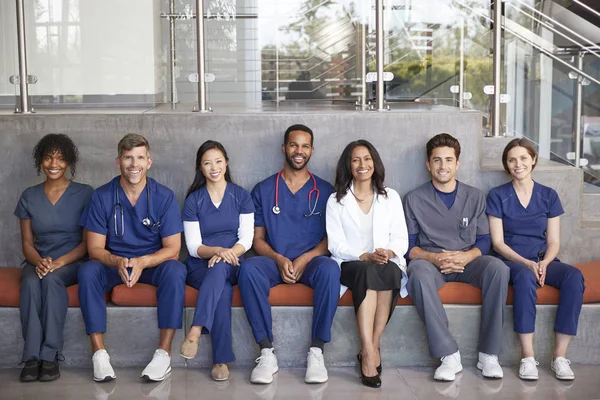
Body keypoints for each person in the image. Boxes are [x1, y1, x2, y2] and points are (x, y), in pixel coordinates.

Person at [78, 134, 186, 383]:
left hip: (150, 264)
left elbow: (173, 248)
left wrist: (143, 261)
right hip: (113, 263)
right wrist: (117, 261)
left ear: (149, 162)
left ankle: (163, 354)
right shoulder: (102, 196)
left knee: (176, 271)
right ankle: (99, 354)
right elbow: (94, 248)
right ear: (118, 162)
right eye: (128, 157)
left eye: (139, 157)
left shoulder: (164, 196)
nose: (133, 164)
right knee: (87, 271)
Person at [237, 124, 340, 385]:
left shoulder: (326, 191)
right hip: (274, 262)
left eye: (305, 146)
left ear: (312, 151)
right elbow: (256, 240)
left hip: (312, 263)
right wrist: (279, 259)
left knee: (330, 269)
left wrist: (305, 258)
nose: (299, 151)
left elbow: (331, 240)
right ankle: (266, 352)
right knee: (248, 269)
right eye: (294, 145)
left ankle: (317, 351)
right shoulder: (263, 189)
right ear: (284, 148)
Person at [403, 133, 509, 381]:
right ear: (428, 164)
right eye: (437, 160)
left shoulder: (474, 197)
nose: (443, 166)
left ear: (457, 163)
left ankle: (489, 355)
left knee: (499, 269)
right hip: (431, 263)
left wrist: (466, 256)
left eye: (449, 160)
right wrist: (434, 258)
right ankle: (448, 355)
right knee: (416, 273)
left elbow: (484, 240)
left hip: (469, 263)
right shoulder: (414, 199)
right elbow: (408, 247)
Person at [486, 138, 585, 381]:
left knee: (574, 277)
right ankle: (527, 358)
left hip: (543, 260)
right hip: (511, 261)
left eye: (522, 158)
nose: (517, 164)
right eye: (511, 160)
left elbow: (553, 242)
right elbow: (498, 243)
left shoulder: (549, 195)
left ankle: (559, 357)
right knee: (524, 278)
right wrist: (527, 263)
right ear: (507, 165)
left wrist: (544, 263)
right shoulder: (497, 195)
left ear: (533, 160)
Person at [326, 140, 408, 388]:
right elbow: (335, 244)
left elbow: (401, 237)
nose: (363, 165)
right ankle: (370, 351)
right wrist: (362, 255)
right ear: (348, 166)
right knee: (367, 271)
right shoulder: (336, 200)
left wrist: (389, 251)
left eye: (367, 159)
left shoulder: (390, 196)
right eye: (356, 160)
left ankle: (370, 347)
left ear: (375, 162)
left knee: (389, 270)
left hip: (384, 260)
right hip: (351, 263)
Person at [16, 134, 93, 382]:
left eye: (60, 158)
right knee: (29, 283)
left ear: (69, 161)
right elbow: (27, 243)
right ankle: (31, 358)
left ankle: (49, 356)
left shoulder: (84, 193)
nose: (54, 163)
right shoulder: (29, 196)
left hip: (71, 261)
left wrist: (58, 263)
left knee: (51, 282)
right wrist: (40, 261)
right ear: (40, 160)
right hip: (37, 260)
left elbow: (87, 243)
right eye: (48, 157)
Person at [179, 140, 255, 381]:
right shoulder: (193, 201)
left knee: (221, 268)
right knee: (221, 289)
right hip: (201, 265)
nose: (214, 167)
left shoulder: (241, 196)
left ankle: (196, 329)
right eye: (207, 162)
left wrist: (226, 253)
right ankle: (220, 361)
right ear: (200, 168)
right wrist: (217, 251)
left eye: (219, 161)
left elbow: (247, 239)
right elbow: (193, 247)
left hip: (233, 261)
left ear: (226, 163)